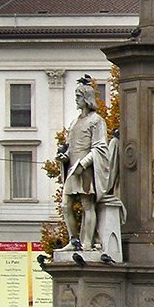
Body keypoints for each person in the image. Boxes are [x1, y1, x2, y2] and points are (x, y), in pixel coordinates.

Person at [59, 79, 114, 251]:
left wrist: (84, 163)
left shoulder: (96, 120)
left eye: (78, 96)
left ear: (86, 98)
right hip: (73, 168)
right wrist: (64, 156)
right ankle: (73, 240)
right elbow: (71, 146)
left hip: (85, 170)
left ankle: (87, 243)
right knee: (65, 205)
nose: (76, 99)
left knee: (87, 205)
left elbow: (100, 147)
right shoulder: (75, 122)